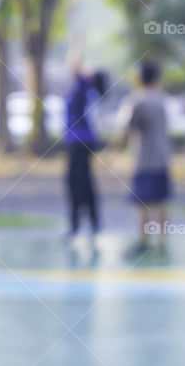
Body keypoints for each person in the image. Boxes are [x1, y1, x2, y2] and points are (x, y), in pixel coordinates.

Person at [120, 60, 172, 254]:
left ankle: (143, 242)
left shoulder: (138, 101)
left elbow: (127, 130)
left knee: (143, 203)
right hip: (162, 157)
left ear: (140, 77)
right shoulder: (162, 99)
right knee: (161, 201)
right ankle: (163, 241)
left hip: (144, 160)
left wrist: (109, 152)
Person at [63, 39, 108, 238]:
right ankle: (92, 220)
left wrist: (76, 44)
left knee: (76, 182)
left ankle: (78, 223)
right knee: (84, 181)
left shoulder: (84, 86)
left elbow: (74, 64)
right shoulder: (83, 88)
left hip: (79, 142)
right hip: (82, 141)